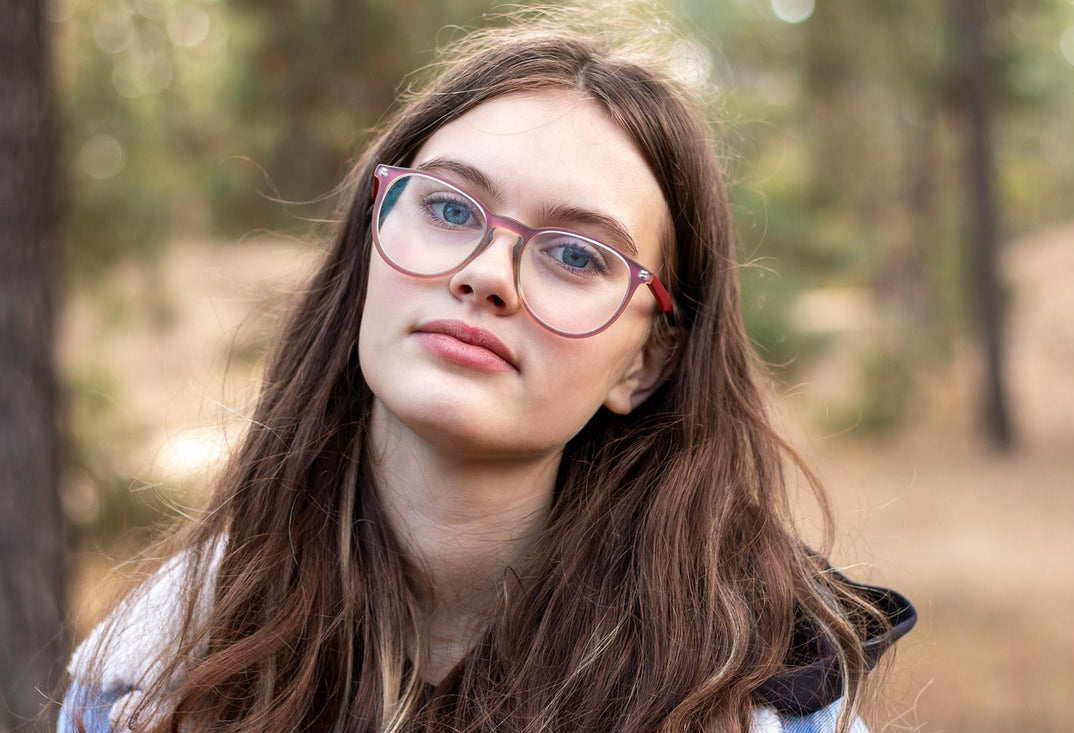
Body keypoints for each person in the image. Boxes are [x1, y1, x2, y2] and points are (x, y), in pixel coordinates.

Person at [60, 7, 915, 732]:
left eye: (577, 254)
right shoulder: (145, 681)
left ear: (646, 364)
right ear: (370, 253)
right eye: (448, 205)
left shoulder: (768, 706)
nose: (487, 274)